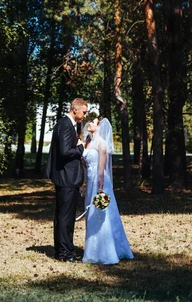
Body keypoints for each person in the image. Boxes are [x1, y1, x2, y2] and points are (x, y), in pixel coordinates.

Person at [82, 117, 134, 264]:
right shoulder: (88, 142)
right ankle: (93, 250)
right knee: (91, 214)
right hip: (90, 181)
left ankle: (108, 251)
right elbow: (86, 164)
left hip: (100, 182)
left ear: (99, 127)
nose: (90, 124)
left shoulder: (102, 144)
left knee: (102, 214)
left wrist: (99, 188)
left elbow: (101, 168)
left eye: (93, 122)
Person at [45, 97, 88, 262]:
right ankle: (65, 253)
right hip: (67, 178)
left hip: (66, 178)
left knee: (63, 216)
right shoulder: (65, 124)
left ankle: (62, 251)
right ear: (75, 109)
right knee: (66, 217)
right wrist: (80, 148)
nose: (84, 115)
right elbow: (64, 152)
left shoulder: (67, 124)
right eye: (83, 112)